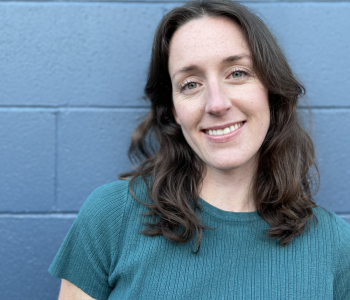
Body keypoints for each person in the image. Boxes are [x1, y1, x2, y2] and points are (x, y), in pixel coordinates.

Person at [49, 0, 350, 299]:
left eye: (237, 73)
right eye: (190, 84)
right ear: (175, 110)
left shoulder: (335, 246)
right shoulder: (112, 216)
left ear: (270, 89)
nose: (217, 104)